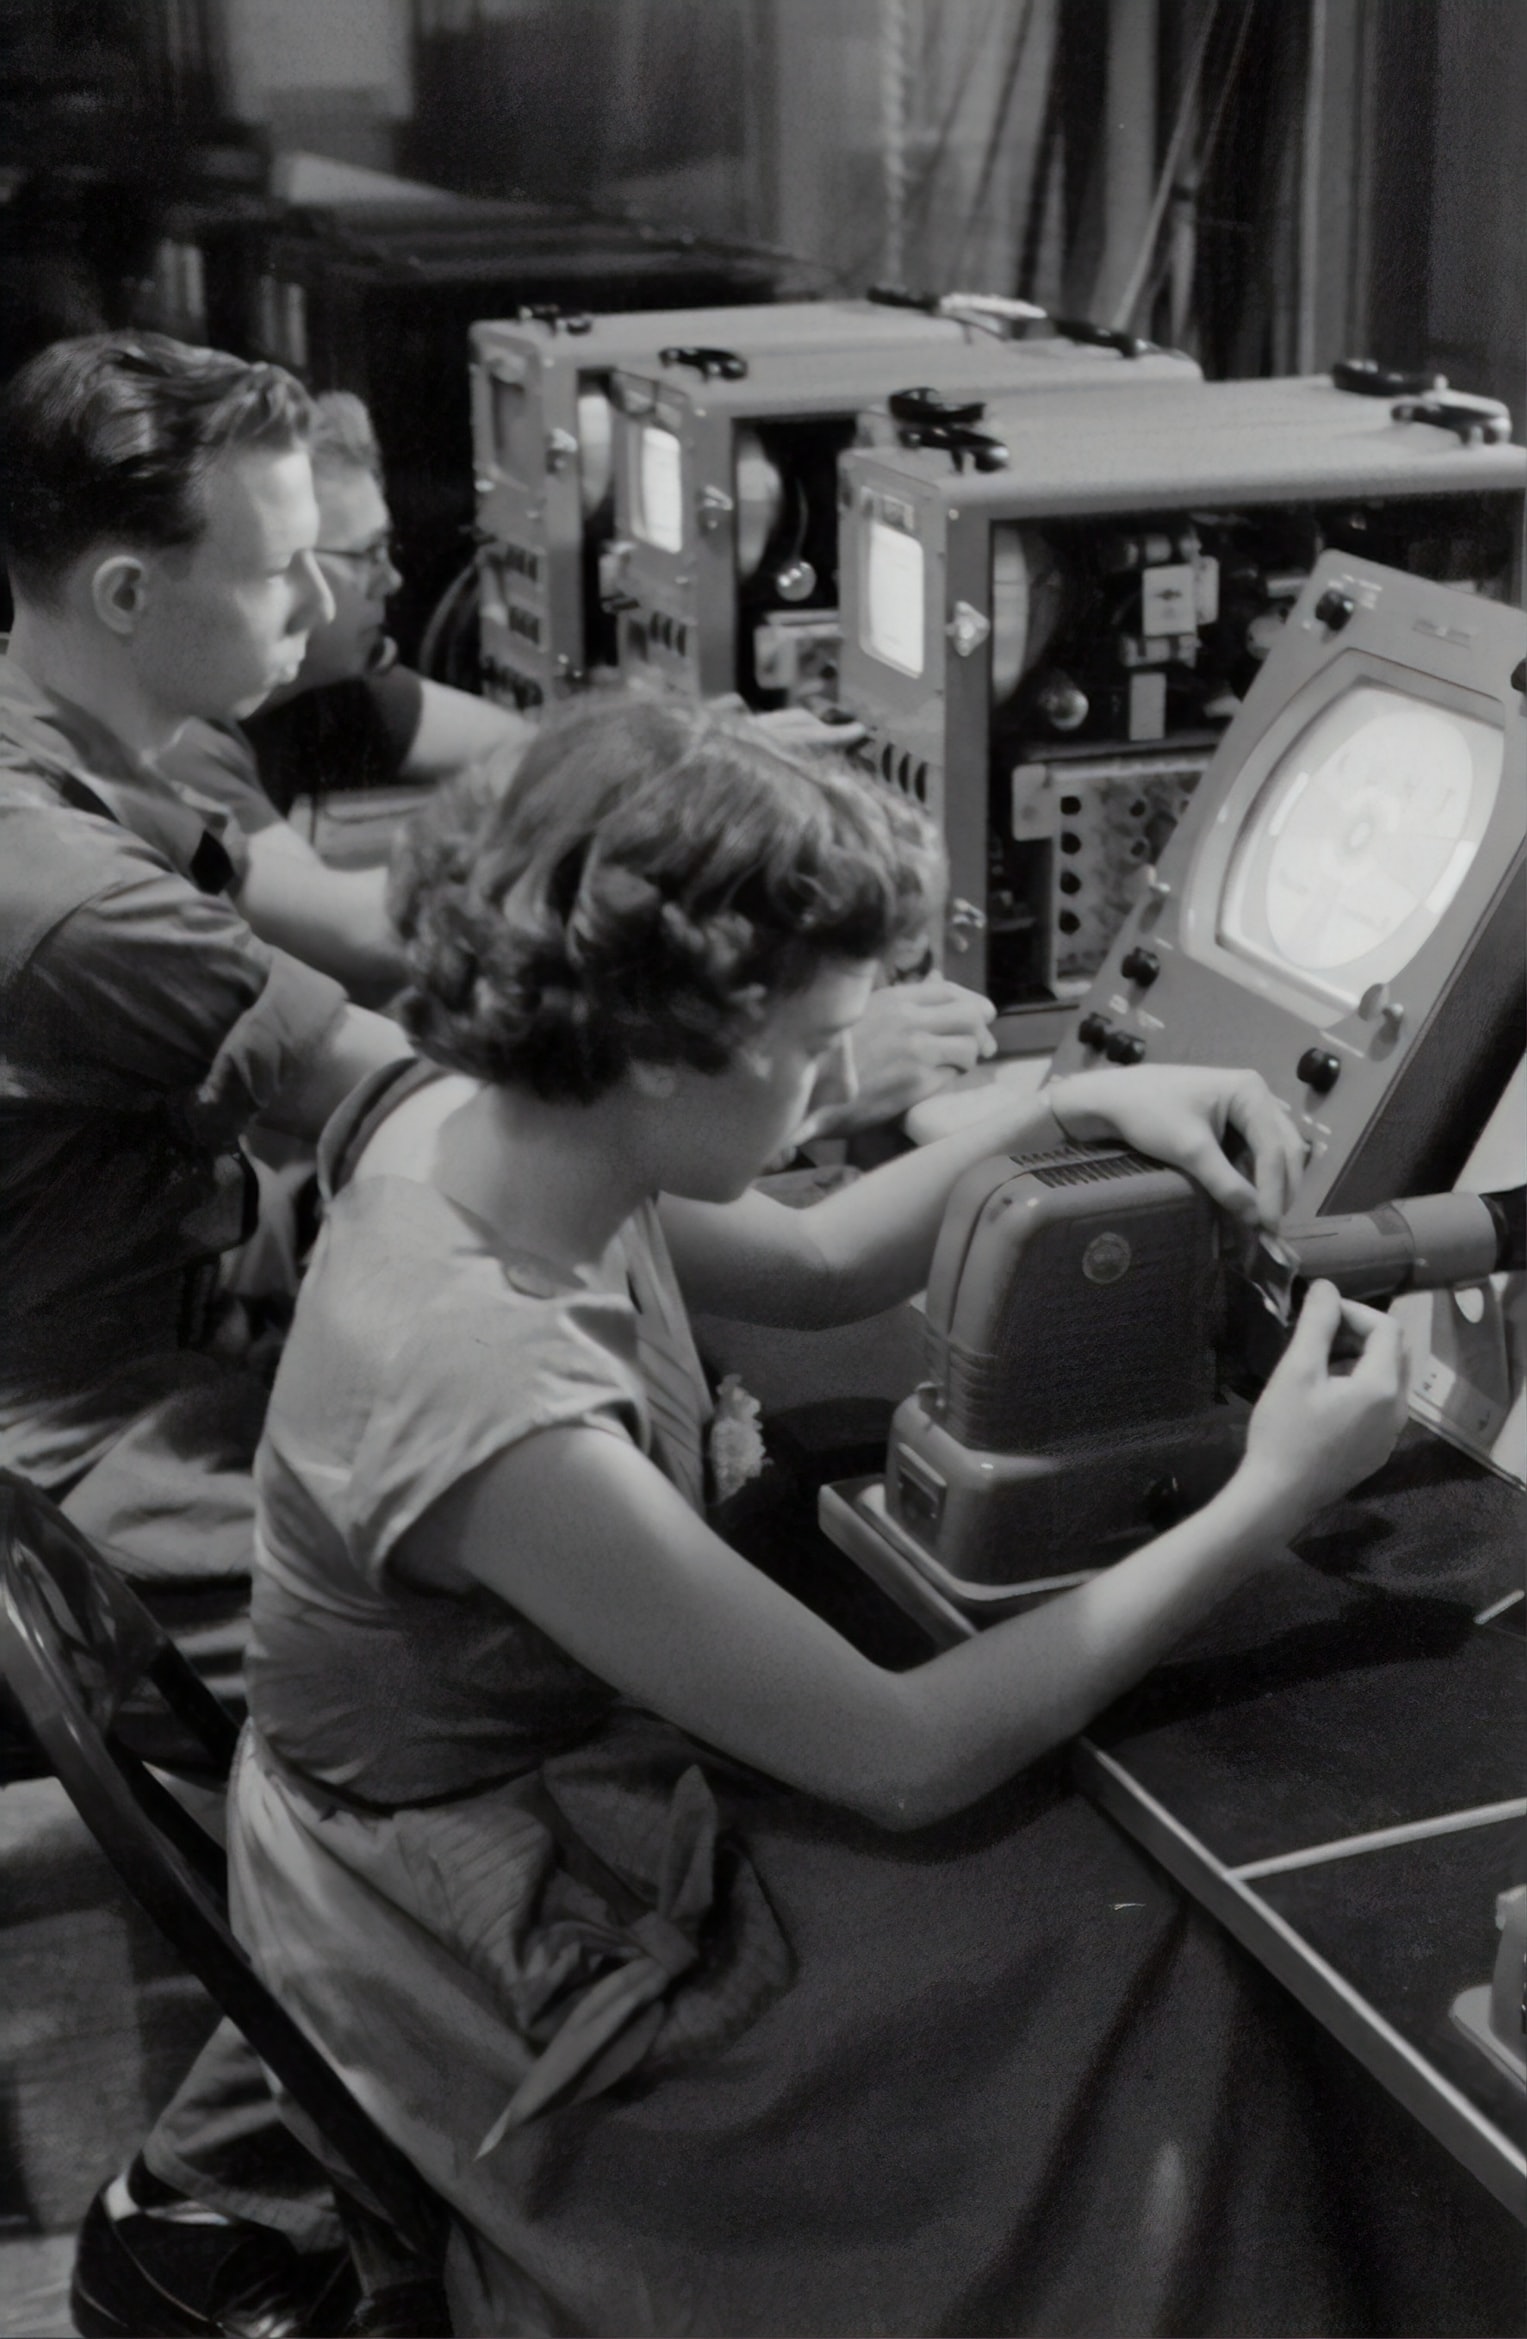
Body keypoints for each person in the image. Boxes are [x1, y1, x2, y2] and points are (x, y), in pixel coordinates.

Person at [228, 693, 1412, 2338]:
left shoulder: (494, 1124)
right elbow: (899, 1752)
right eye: (803, 1043)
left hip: (520, 1784)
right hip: (470, 1936)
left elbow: (813, 1260)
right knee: (1146, 1953)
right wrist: (1273, 1490)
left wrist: (1073, 1103)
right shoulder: (480, 1387)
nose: (821, 1082)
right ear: (655, 1045)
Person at [0, 330, 412, 2339]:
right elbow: (416, 1109)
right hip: (113, 1448)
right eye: (278, 573)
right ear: (132, 592)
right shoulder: (67, 895)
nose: (321, 603)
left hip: (122, 1361)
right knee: (482, 1718)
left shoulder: (73, 741)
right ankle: (212, 2208)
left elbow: (335, 928)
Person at [165, 388, 1000, 1118]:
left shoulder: (323, 689)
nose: (394, 580)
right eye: (368, 556)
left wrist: (707, 748)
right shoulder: (183, 740)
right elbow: (363, 930)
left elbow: (538, 752)